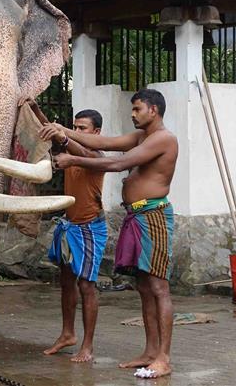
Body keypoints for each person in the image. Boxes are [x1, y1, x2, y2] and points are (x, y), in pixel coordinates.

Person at [52, 89, 178, 379]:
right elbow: (103, 142)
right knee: (144, 287)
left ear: (154, 110)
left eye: (137, 109)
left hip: (154, 216)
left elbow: (117, 163)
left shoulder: (164, 138)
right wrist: (63, 130)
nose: (133, 114)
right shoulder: (141, 137)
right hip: (137, 216)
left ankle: (164, 358)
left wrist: (74, 161)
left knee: (159, 288)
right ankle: (149, 351)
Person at [38, 110, 107, 363]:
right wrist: (32, 104)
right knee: (66, 281)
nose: (77, 131)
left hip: (90, 228)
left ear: (97, 133)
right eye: (74, 127)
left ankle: (87, 346)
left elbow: (85, 153)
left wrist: (65, 139)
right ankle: (68, 334)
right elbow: (49, 125)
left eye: (83, 128)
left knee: (87, 286)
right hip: (69, 227)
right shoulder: (71, 151)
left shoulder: (96, 156)